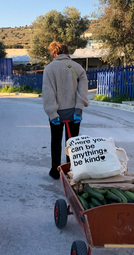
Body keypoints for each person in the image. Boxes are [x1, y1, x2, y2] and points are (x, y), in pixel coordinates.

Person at [42, 41, 89, 179]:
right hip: (74, 112)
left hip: (57, 113)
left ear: (54, 54)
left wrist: (52, 112)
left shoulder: (49, 69)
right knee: (72, 143)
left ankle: (55, 171)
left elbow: (48, 92)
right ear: (67, 53)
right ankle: (71, 170)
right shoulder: (78, 67)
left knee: (55, 141)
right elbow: (83, 89)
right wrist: (79, 108)